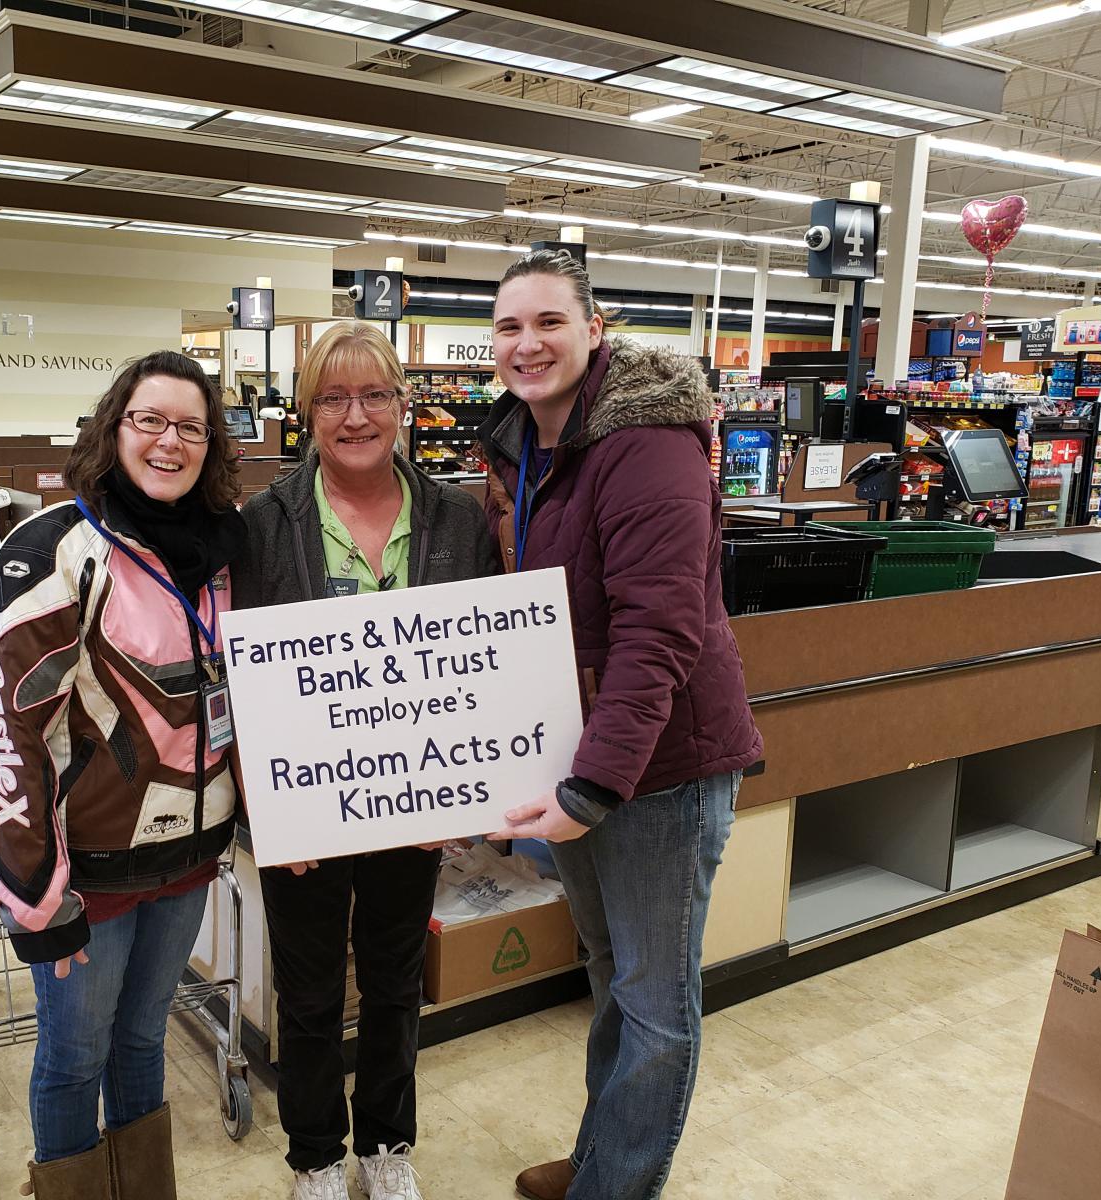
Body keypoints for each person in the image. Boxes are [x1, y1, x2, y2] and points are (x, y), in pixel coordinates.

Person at [478, 251, 762, 1200]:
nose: (528, 344)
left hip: (657, 767)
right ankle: (604, 1152)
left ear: (594, 329)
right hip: (584, 754)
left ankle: (619, 1185)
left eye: (549, 322)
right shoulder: (526, 446)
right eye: (510, 327)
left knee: (653, 999)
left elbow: (660, 628)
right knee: (610, 974)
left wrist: (597, 783)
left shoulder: (645, 442)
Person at [0, 350, 246, 1200]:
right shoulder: (52, 551)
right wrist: (38, 895)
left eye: (190, 426)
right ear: (113, 426)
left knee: (143, 1039)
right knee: (74, 1058)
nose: (169, 441)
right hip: (84, 879)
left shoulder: (224, 553)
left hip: (189, 862)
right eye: (148, 420)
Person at [231, 321, 498, 1200]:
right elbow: (237, 676)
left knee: (391, 982)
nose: (356, 415)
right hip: (308, 805)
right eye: (334, 398)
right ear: (307, 413)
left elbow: (480, 662)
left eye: (374, 394)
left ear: (403, 406)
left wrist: (473, 781)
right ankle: (314, 1155)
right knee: (308, 992)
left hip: (413, 799)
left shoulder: (457, 519)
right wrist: (265, 804)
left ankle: (386, 1146)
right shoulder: (263, 526)